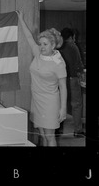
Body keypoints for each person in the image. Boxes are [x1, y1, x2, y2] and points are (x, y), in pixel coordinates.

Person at [17, 11, 67, 146]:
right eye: (40, 43)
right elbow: (28, 37)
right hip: (37, 100)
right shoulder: (38, 53)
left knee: (50, 137)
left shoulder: (59, 63)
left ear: (53, 45)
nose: (41, 47)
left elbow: (63, 86)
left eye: (45, 44)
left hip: (51, 102)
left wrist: (63, 109)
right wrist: (21, 19)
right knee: (43, 136)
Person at [59, 28, 85, 137]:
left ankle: (58, 130)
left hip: (60, 80)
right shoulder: (73, 47)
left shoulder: (57, 46)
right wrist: (82, 77)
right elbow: (78, 64)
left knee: (59, 104)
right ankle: (77, 130)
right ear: (71, 36)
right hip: (72, 79)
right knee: (76, 105)